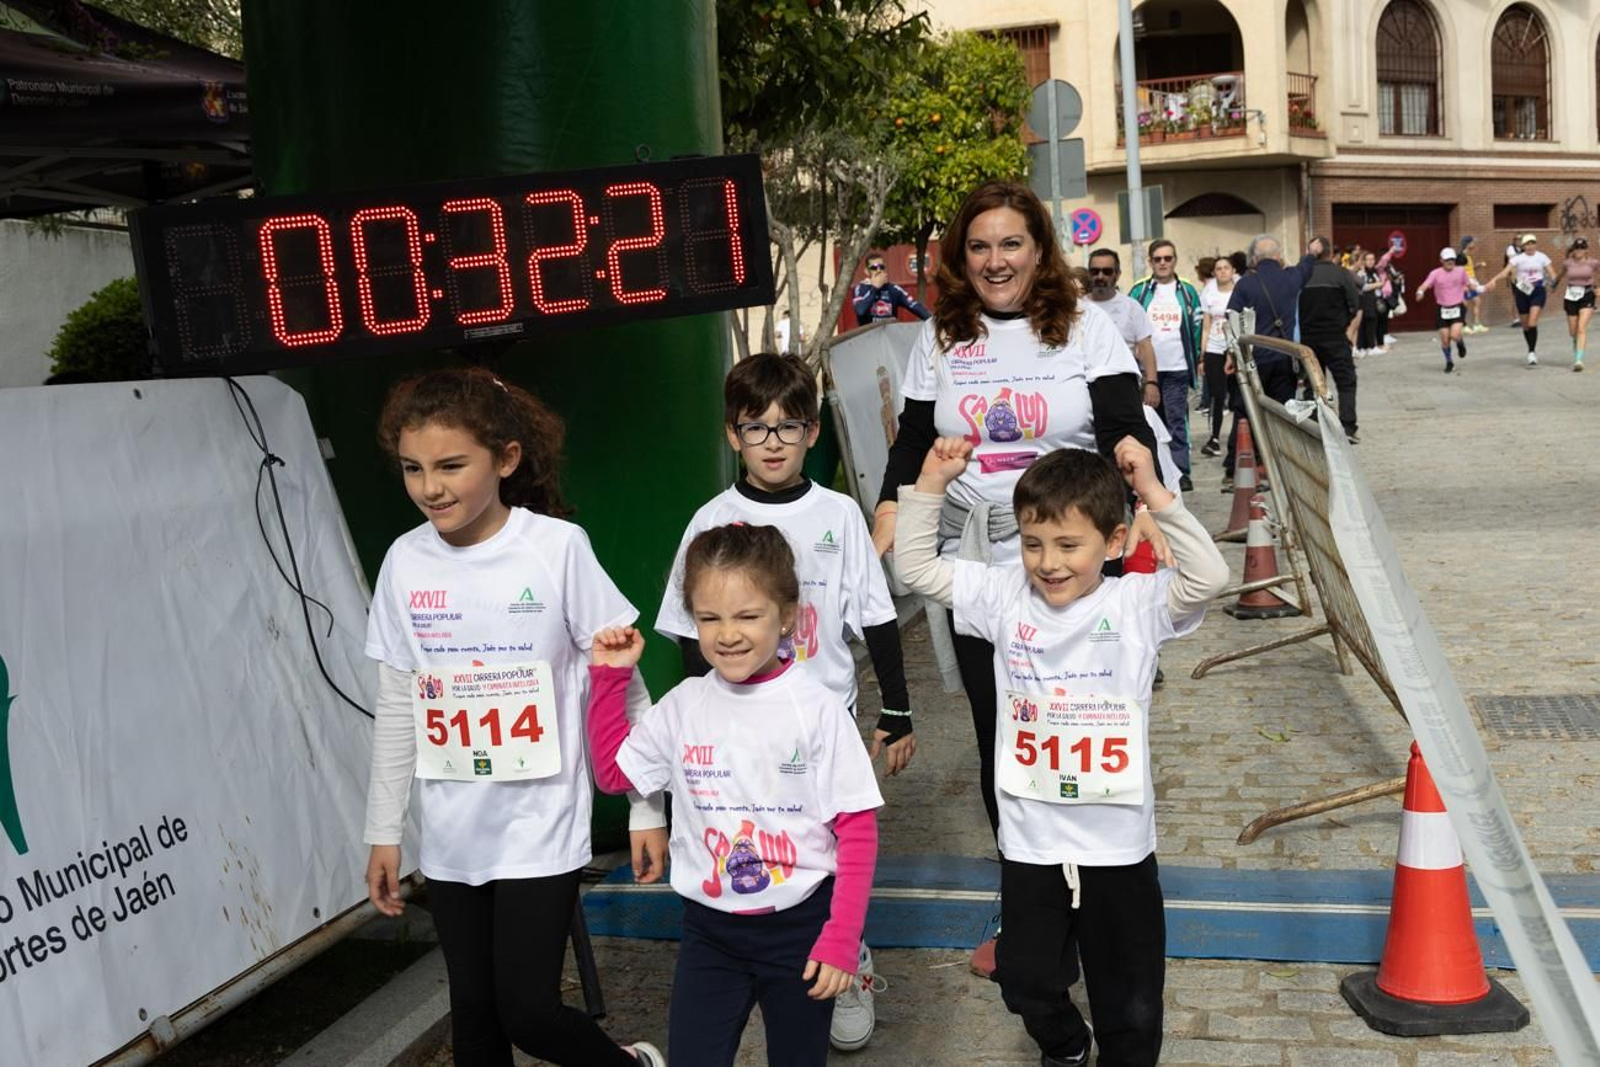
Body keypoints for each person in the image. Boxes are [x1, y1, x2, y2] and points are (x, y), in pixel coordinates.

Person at [362, 368, 665, 1067]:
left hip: (540, 824)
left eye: (450, 465)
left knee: (528, 1011)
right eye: (412, 468)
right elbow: (398, 707)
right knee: (474, 1016)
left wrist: (646, 806)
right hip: (451, 834)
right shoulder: (404, 562)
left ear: (504, 459)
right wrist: (384, 830)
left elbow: (622, 684)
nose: (430, 487)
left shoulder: (557, 549)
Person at [894, 435, 1228, 1067]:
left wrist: (1154, 490)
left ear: (1116, 541)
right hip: (1032, 842)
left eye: (1069, 545)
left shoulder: (1138, 604)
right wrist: (931, 482)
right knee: (1024, 979)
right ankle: (1067, 1046)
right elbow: (914, 571)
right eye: (1032, 543)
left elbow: (1211, 576)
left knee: (1130, 1006)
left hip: (1118, 846)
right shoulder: (1002, 597)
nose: (1048, 562)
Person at [868, 179, 1164, 845]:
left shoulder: (1085, 328)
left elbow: (1123, 424)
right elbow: (913, 437)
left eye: (1010, 243)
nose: (995, 260)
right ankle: (1023, 888)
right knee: (1000, 727)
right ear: (959, 256)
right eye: (978, 246)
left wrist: (1143, 501)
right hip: (978, 563)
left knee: (1083, 720)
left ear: (1038, 250)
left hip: (1073, 557)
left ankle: (1098, 872)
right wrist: (891, 502)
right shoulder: (942, 335)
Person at [655, 352, 912, 1050]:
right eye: (756, 426)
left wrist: (899, 709)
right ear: (733, 436)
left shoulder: (838, 514)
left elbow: (877, 613)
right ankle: (745, 955)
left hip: (822, 721)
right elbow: (686, 636)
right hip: (738, 727)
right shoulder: (711, 519)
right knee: (763, 845)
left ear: (813, 431)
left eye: (789, 425)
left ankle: (844, 953)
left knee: (831, 849)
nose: (773, 440)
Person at [587, 524, 883, 1067]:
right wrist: (609, 680)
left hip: (800, 930)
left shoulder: (816, 709)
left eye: (748, 615)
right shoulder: (683, 704)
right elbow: (613, 775)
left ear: (787, 615)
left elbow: (858, 832)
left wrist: (842, 938)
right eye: (709, 618)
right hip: (710, 933)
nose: (728, 634)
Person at [1221, 234, 1320, 491]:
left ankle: (1235, 467)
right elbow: (1307, 266)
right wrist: (1310, 252)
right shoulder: (1291, 278)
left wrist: (1232, 356)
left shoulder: (1245, 284)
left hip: (1255, 358)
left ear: (1254, 259)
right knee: (1282, 412)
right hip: (1284, 358)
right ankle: (1280, 465)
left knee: (1245, 411)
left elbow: (1231, 318)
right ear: (1278, 257)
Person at [1128, 239, 1202, 492]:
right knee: (1149, 423)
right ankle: (1156, 472)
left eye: (1167, 258)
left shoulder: (1187, 291)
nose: (1162, 263)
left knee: (1177, 422)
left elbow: (1197, 326)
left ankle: (1181, 471)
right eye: (1157, 259)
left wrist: (1198, 359)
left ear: (1174, 260)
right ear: (1150, 262)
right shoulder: (1140, 291)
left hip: (1177, 368)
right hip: (1147, 371)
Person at [1298, 235, 1364, 440]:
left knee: (1312, 384)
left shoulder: (1301, 275)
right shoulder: (1341, 274)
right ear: (1330, 252)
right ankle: (1347, 427)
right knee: (1346, 382)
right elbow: (1354, 303)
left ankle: (1314, 426)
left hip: (1308, 338)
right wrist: (1344, 322)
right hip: (1335, 337)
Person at [1083, 248, 1160, 403]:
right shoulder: (1077, 308)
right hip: (1085, 387)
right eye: (1095, 271)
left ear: (1117, 275)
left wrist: (1152, 382)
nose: (1100, 276)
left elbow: (1145, 346)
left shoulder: (1131, 307)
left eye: (1107, 271)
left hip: (1123, 387)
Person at [1481, 234, 1556, 366]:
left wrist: (1553, 281)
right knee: (1526, 325)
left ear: (1536, 244)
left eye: (1533, 243)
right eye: (1527, 244)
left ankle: (1532, 352)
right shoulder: (1518, 259)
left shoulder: (1542, 257)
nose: (1530, 246)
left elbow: (1552, 273)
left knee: (1532, 323)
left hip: (1537, 291)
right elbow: (1506, 272)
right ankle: (1530, 350)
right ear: (1523, 246)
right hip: (1522, 291)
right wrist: (1493, 280)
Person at [1198, 253, 1240, 457]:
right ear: (1214, 273)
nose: (1223, 271)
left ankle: (1240, 437)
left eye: (1226, 267)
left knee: (1238, 395)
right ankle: (1214, 438)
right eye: (1219, 268)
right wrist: (1202, 356)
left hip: (1236, 349)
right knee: (1217, 394)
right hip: (1214, 349)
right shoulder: (1209, 292)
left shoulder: (1240, 291)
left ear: (1233, 271)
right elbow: (1206, 326)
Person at [1414, 247, 1473, 373]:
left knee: (1454, 334)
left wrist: (1481, 288)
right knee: (1445, 339)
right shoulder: (1435, 273)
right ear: (1441, 260)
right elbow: (1424, 285)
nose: (1450, 262)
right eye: (1447, 260)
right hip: (1442, 308)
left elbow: (1469, 284)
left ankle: (1460, 342)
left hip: (1457, 306)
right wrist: (1420, 292)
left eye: (1452, 259)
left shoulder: (1461, 271)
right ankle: (1449, 362)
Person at [852, 251, 932, 326]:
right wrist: (874, 288)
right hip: (869, 337)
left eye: (882, 267)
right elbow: (860, 310)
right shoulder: (861, 288)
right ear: (866, 271)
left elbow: (915, 306)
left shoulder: (893, 289)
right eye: (874, 268)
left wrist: (933, 321)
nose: (879, 270)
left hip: (889, 336)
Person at [1553, 236, 1594, 372]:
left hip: (1587, 295)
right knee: (1573, 331)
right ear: (1573, 249)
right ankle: (1575, 343)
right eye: (1577, 248)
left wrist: (1598, 288)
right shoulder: (1568, 263)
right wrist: (1554, 284)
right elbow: (1561, 274)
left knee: (1581, 328)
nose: (1579, 251)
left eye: (1582, 248)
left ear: (1586, 250)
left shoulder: (1593, 263)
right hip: (1571, 296)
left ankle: (1578, 360)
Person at [1458, 236, 1488, 334]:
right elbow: (1460, 272)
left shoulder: (1468, 256)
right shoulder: (1461, 257)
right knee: (1465, 304)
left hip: (1472, 281)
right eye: (1472, 242)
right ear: (1467, 244)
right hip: (1467, 283)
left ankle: (1476, 324)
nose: (1474, 244)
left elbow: (1469, 269)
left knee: (1477, 301)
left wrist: (1477, 266)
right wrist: (1465, 284)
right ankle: (1463, 325)